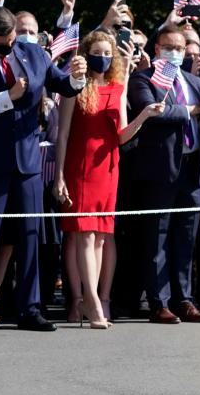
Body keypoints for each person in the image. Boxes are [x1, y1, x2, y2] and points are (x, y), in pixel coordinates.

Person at [0, 7, 87, 333]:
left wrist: (76, 76)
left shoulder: (34, 53)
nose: (9, 47)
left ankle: (30, 309)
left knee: (30, 236)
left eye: (12, 40)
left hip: (28, 163)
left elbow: (62, 85)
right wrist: (5, 97)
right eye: (2, 43)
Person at [54, 31, 163, 328]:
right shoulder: (73, 86)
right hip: (80, 165)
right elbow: (61, 135)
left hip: (109, 168)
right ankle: (89, 300)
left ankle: (94, 301)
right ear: (87, 53)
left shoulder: (118, 87)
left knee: (101, 237)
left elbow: (121, 135)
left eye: (107, 52)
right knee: (84, 235)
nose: (102, 57)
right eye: (97, 52)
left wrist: (144, 116)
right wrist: (59, 176)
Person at [125, 25, 200, 324]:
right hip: (161, 170)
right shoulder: (143, 79)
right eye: (169, 48)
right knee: (158, 237)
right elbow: (152, 111)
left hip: (193, 171)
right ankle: (159, 301)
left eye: (180, 49)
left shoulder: (196, 81)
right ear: (157, 49)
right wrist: (189, 110)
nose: (175, 53)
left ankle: (184, 299)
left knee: (186, 238)